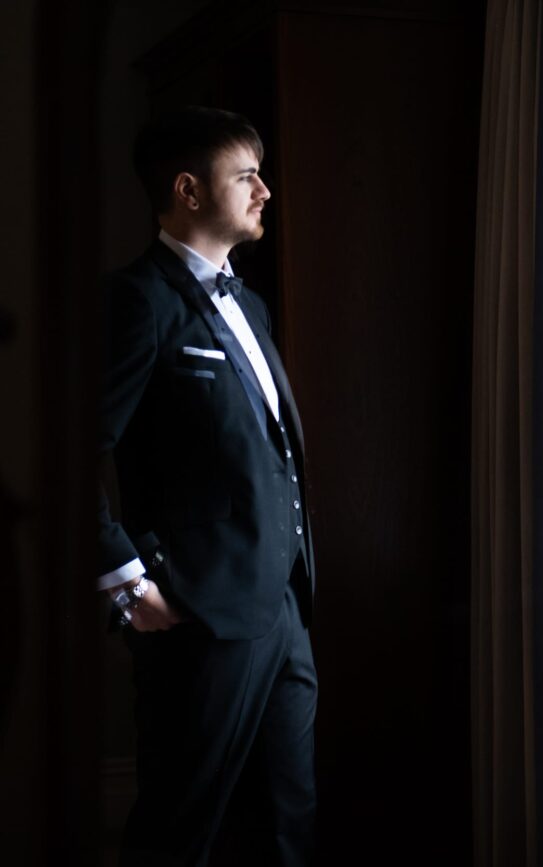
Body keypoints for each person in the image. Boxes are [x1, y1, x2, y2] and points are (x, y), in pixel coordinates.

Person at [96, 105, 317, 865]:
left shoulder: (248, 303)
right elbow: (73, 452)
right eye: (246, 176)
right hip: (199, 615)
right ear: (189, 191)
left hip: (283, 607)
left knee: (289, 821)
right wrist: (130, 582)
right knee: (180, 830)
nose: (265, 191)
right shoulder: (137, 300)